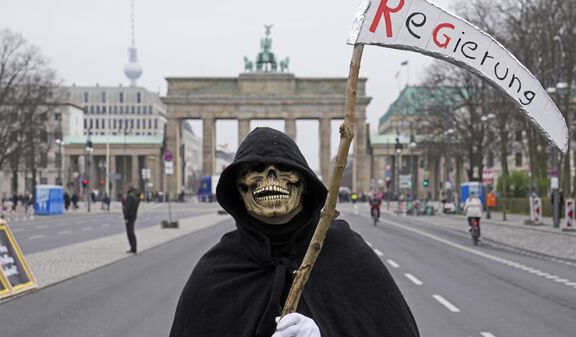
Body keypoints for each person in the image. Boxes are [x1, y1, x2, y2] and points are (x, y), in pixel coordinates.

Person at [169, 128, 419, 337]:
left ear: (305, 183)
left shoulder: (345, 253)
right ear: (238, 189)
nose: (270, 177)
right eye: (255, 170)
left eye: (282, 168)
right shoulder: (217, 271)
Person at [122, 184, 140, 254]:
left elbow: (128, 207)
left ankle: (133, 248)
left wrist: (125, 216)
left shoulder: (130, 196)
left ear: (129, 189)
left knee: (130, 233)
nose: (126, 189)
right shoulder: (135, 196)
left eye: (127, 188)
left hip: (129, 216)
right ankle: (133, 248)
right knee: (131, 232)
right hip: (133, 215)